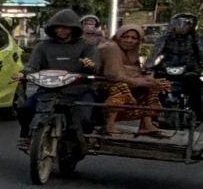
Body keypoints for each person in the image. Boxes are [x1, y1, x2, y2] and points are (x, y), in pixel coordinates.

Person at [19, 7, 103, 135]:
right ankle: (27, 136)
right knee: (25, 109)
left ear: (73, 28)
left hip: (79, 90)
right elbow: (32, 66)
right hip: (48, 89)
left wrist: (89, 65)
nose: (61, 30)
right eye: (57, 27)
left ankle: (81, 140)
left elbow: (94, 67)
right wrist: (24, 74)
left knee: (85, 119)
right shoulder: (43, 46)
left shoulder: (87, 45)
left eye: (65, 27)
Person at [97, 27, 164, 135]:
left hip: (124, 80)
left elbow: (133, 71)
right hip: (102, 81)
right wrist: (139, 82)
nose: (129, 40)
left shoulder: (131, 51)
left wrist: (150, 81)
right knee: (120, 87)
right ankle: (109, 125)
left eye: (134, 38)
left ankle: (146, 124)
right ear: (119, 36)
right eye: (126, 37)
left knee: (151, 87)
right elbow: (114, 75)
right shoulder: (111, 48)